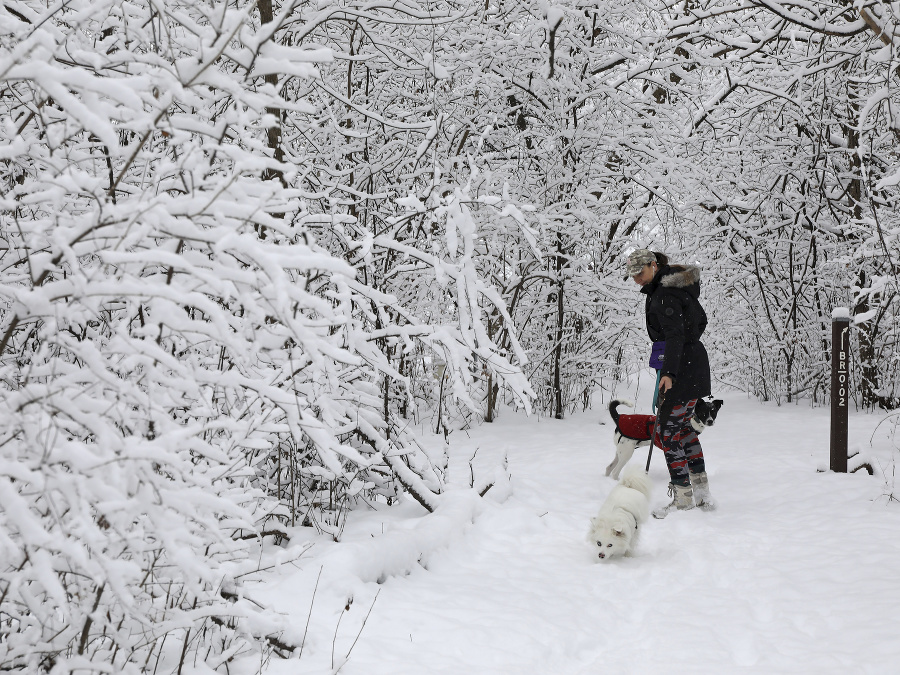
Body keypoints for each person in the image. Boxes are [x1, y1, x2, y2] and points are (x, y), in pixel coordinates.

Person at [624, 248, 716, 518]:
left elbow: (675, 336)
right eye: (632, 275)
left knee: (667, 433)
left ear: (653, 266)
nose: (636, 279)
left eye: (640, 273)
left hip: (682, 369)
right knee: (685, 431)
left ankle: (683, 498)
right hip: (692, 364)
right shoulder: (671, 288)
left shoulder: (665, 294)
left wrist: (669, 374)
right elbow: (699, 322)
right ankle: (701, 493)